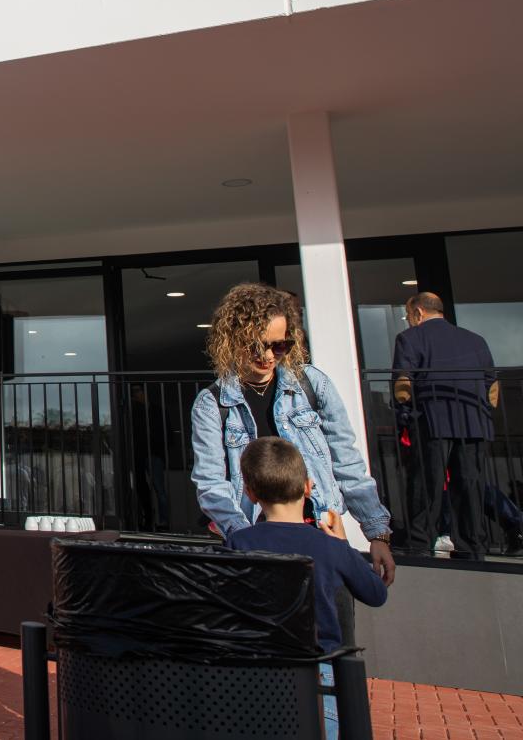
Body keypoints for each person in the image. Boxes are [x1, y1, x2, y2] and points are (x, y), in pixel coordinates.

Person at [190, 282, 395, 590]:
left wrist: (377, 533)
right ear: (232, 341)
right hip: (253, 542)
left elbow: (347, 464)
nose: (268, 356)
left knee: (330, 630)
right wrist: (243, 537)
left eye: (279, 345)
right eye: (257, 346)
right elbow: (210, 483)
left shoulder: (313, 385)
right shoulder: (212, 403)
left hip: (319, 537)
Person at [226, 436, 388, 739]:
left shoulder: (238, 543)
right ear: (308, 486)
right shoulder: (330, 547)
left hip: (256, 674)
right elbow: (376, 593)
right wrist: (344, 546)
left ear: (249, 492)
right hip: (317, 677)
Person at [392, 292, 499, 558]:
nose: (408, 321)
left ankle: (420, 544)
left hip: (431, 421)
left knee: (426, 485)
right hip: (473, 423)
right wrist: (483, 413)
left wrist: (404, 415)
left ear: (418, 313)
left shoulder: (410, 338)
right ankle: (472, 546)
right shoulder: (476, 340)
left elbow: (403, 384)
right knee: (470, 484)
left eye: (408, 316)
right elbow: (492, 386)